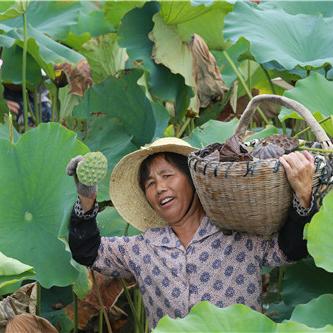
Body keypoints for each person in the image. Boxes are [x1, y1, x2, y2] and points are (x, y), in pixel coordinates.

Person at [67, 137, 316, 330]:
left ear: (193, 180)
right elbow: (87, 251)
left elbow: (290, 249)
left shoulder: (238, 235)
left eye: (167, 176)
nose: (160, 188)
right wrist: (87, 197)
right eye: (150, 184)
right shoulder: (142, 249)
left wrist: (303, 196)